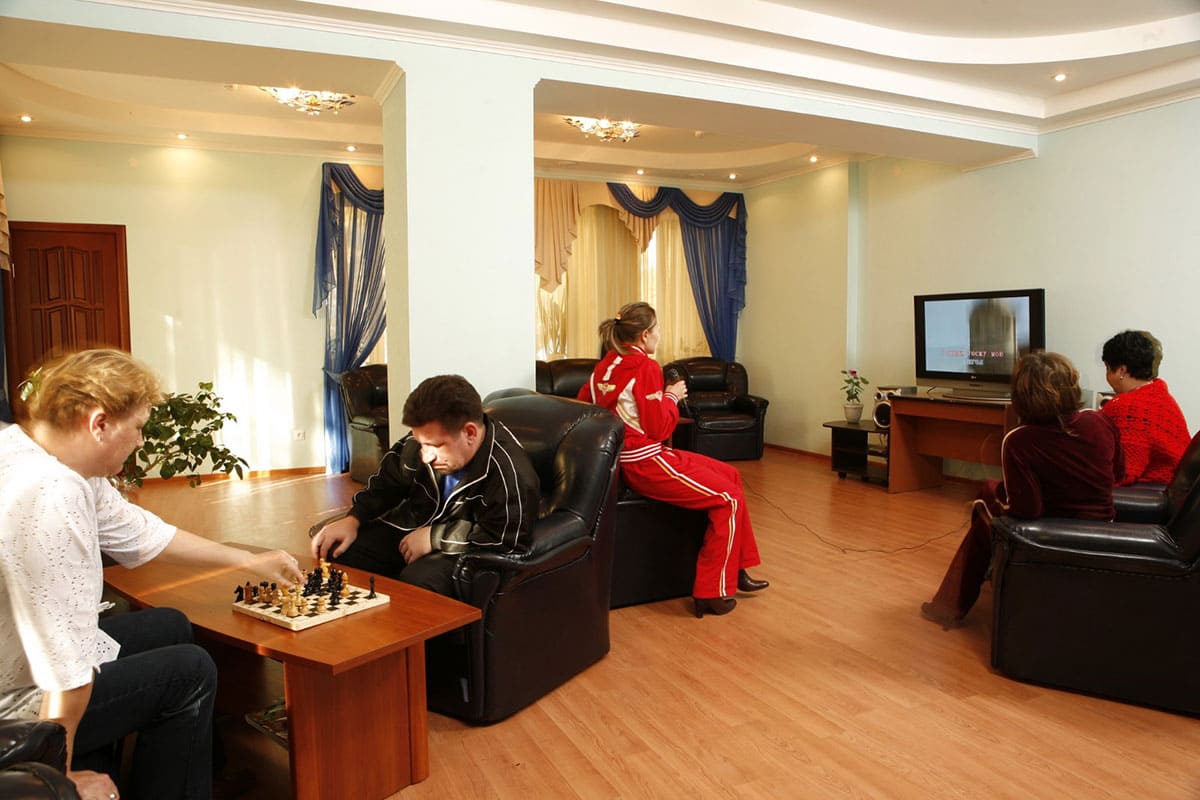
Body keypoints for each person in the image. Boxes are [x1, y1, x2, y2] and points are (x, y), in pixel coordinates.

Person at [0, 349, 303, 800]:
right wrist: (56, 777)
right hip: (15, 705)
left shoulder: (32, 448)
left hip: (22, 665)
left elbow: (139, 533)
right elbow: (66, 666)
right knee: (190, 672)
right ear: (100, 423)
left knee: (171, 624)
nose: (142, 442)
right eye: (139, 427)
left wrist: (246, 560)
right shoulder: (52, 493)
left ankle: (199, 771)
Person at [577, 302, 768, 618]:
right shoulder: (646, 367)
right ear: (644, 335)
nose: (660, 334)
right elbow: (660, 429)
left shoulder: (604, 366)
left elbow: (585, 406)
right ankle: (710, 592)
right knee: (728, 498)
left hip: (629, 458)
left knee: (730, 475)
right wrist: (671, 397)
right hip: (644, 462)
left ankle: (736, 569)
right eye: (657, 329)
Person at [921, 351, 1123, 628]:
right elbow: (1118, 474)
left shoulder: (1019, 440)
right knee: (988, 493)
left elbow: (1028, 510)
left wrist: (996, 498)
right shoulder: (1099, 420)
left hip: (1053, 535)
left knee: (984, 509)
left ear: (1021, 396)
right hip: (1105, 529)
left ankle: (949, 607)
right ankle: (956, 600)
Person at [310, 374, 539, 597]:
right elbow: (385, 485)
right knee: (337, 550)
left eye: (435, 446)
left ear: (469, 432)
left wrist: (435, 537)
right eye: (421, 443)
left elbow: (504, 539)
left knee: (418, 580)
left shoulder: (510, 473)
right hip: (415, 526)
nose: (425, 456)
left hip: (463, 549)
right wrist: (353, 519)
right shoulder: (420, 443)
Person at [1100, 330, 1190, 485]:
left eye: (1107, 369)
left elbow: (1123, 474)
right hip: (1169, 488)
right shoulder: (1160, 397)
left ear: (1121, 370)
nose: (1106, 376)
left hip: (1149, 490)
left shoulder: (1129, 407)